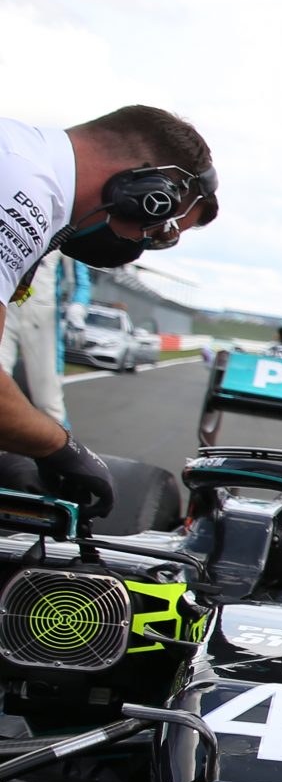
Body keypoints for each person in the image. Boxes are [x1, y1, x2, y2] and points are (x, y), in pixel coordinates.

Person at [1, 105, 221, 514]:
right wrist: (59, 447)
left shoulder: (21, 158)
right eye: (158, 228)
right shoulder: (26, 196)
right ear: (139, 194)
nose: (142, 243)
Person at [0, 250, 71, 429]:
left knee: (48, 402)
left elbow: (78, 277)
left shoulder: (65, 234)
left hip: (42, 318)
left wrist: (78, 307)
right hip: (8, 309)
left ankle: (63, 443)